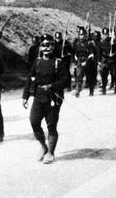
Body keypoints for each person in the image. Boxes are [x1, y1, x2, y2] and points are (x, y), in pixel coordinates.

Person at [22, 34, 69, 164]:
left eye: (49, 44)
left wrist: (52, 86)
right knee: (34, 122)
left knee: (51, 126)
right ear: (40, 47)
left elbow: (66, 80)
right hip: (38, 97)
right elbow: (29, 79)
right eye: (43, 45)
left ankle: (51, 153)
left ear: (53, 46)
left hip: (53, 98)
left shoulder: (58, 63)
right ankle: (43, 146)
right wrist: (25, 96)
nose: (46, 47)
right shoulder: (37, 62)